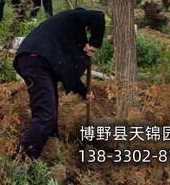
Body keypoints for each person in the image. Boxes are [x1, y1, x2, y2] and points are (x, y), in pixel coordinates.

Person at [13, 8, 105, 160]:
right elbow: (99, 15)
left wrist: (84, 92)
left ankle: (51, 143)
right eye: (87, 29)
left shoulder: (62, 34)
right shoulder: (74, 17)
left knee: (50, 109)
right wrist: (94, 43)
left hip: (38, 62)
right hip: (36, 60)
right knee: (45, 115)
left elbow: (66, 72)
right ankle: (22, 161)